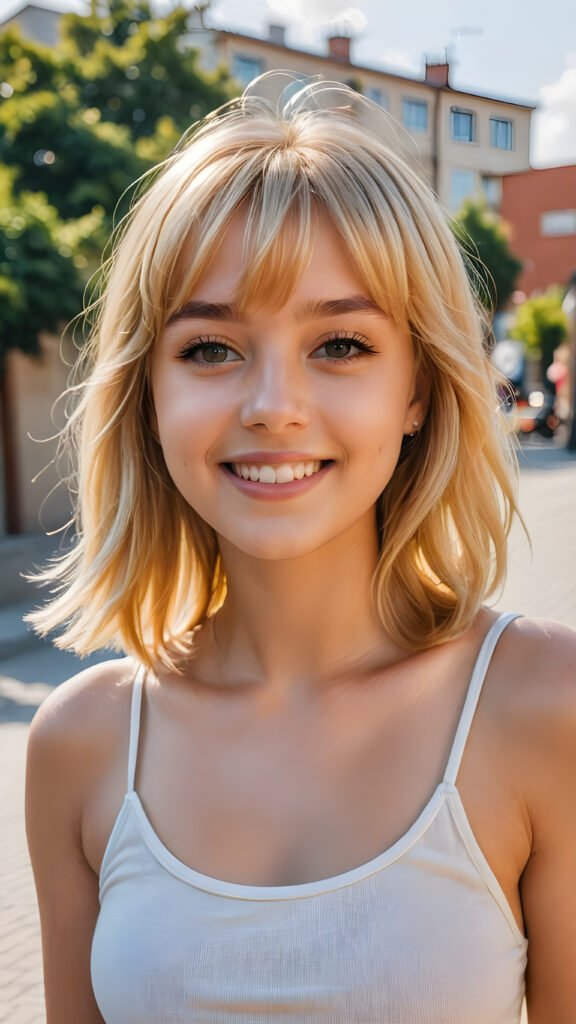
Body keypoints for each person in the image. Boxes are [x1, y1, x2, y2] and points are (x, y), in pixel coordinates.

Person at [25, 73, 576, 1024]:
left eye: (341, 345)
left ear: (418, 389)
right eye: (210, 348)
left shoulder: (546, 704)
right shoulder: (80, 744)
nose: (273, 405)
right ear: (147, 395)